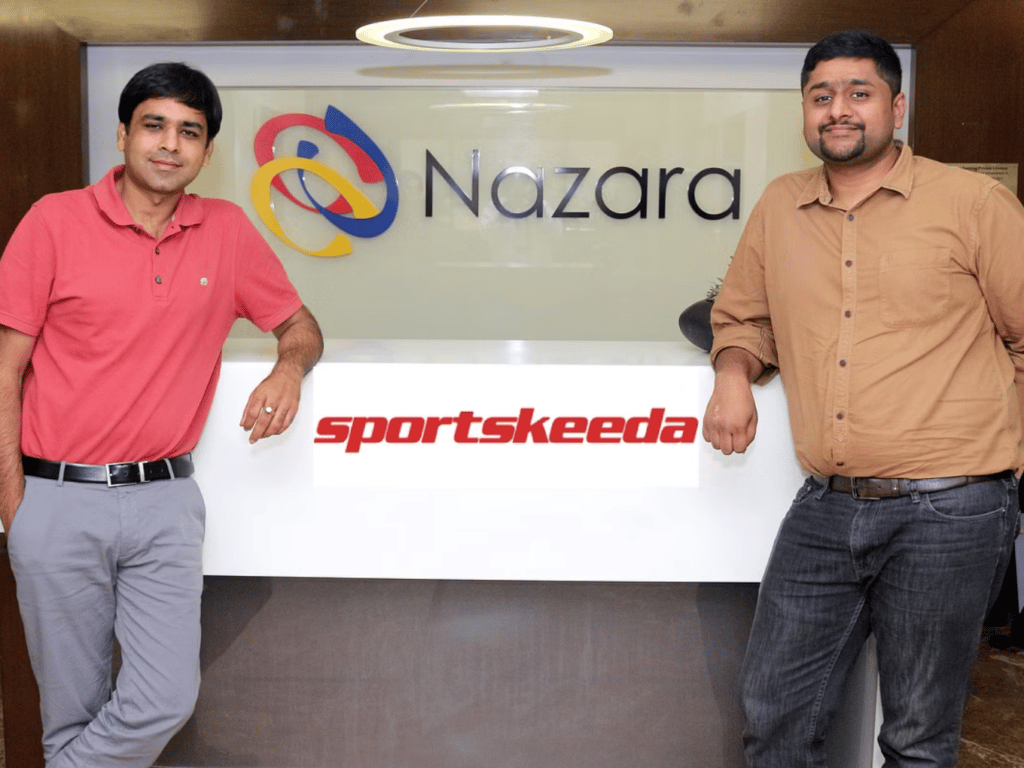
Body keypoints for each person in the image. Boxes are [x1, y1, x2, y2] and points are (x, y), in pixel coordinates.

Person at [702, 30, 1024, 767]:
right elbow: (744, 316)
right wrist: (732, 374)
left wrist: (1008, 460)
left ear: (896, 107)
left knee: (916, 735)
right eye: (821, 96)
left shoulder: (973, 203)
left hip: (951, 509)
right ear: (804, 110)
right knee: (774, 713)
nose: (838, 110)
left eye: (859, 93)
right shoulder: (781, 205)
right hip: (826, 504)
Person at [0, 62, 323, 767]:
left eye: (190, 132)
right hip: (56, 498)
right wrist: (14, 503)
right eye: (154, 125)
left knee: (163, 700)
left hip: (165, 502)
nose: (170, 144)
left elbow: (300, 325)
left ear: (207, 151)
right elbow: (6, 369)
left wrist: (289, 368)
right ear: (122, 135)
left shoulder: (226, 230)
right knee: (71, 714)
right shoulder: (54, 221)